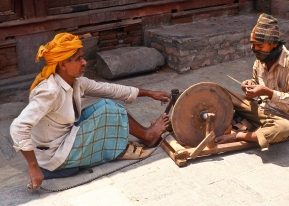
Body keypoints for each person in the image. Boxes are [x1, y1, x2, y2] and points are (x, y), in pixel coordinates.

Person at [10, 33, 171, 190]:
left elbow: (111, 89)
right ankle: (148, 136)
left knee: (104, 105)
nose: (84, 62)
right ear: (63, 65)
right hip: (55, 155)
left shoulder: (77, 82)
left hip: (66, 137)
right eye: (78, 59)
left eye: (83, 57)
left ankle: (145, 134)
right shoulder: (50, 91)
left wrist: (150, 93)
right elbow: (18, 128)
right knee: (108, 109)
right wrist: (33, 166)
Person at [215, 13, 289, 149]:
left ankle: (239, 135)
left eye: (260, 45)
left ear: (274, 44)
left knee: (283, 129)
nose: (255, 49)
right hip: (262, 109)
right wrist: (249, 85)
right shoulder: (260, 60)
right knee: (221, 92)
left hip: (284, 118)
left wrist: (269, 93)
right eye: (253, 45)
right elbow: (256, 84)